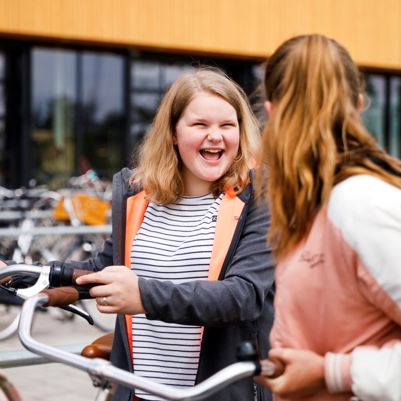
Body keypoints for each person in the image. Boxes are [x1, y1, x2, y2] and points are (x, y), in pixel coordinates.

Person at [0, 68, 274, 401]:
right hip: (139, 392)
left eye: (227, 125)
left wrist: (143, 295)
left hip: (213, 393)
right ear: (173, 133)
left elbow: (242, 296)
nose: (215, 136)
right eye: (200, 125)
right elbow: (105, 269)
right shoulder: (139, 197)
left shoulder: (257, 197)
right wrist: (22, 276)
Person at [254, 34, 401, 401]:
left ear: (270, 111)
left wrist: (331, 373)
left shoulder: (358, 204)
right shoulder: (313, 205)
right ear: (358, 105)